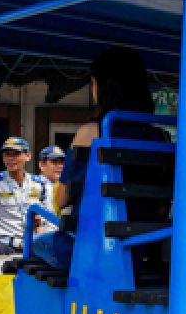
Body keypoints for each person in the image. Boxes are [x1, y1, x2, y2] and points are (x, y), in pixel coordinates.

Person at [35, 46, 170, 270]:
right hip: (138, 252)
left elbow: (61, 199)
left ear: (100, 86)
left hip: (91, 252)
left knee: (38, 242)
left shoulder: (92, 132)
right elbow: (161, 209)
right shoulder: (160, 137)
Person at [0, 136, 47, 254]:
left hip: (32, 246)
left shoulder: (39, 183)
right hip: (4, 246)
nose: (11, 159)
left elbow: (44, 219)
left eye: (16, 154)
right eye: (7, 154)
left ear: (28, 156)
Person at [35, 145, 65, 233]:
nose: (60, 166)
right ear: (42, 165)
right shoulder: (35, 185)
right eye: (54, 162)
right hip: (44, 239)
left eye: (62, 162)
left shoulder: (63, 187)